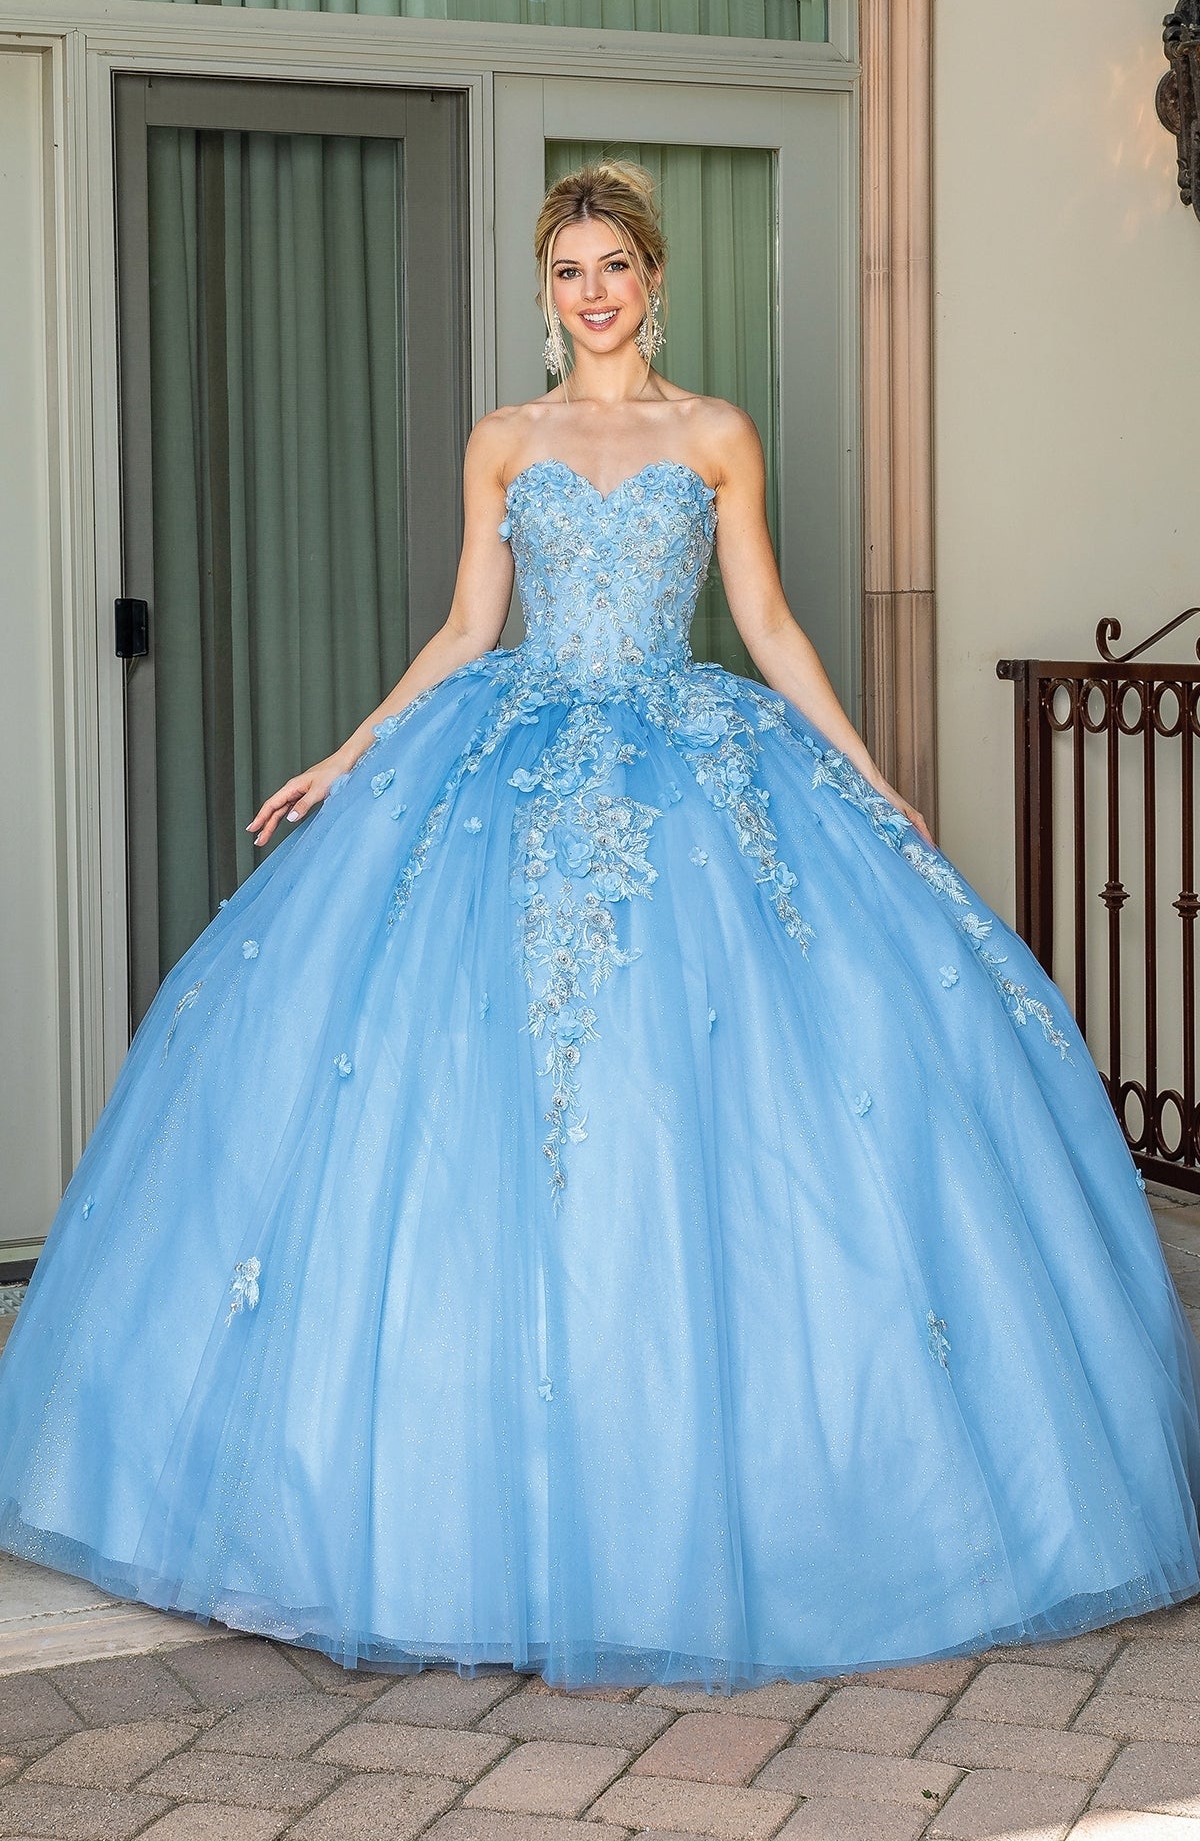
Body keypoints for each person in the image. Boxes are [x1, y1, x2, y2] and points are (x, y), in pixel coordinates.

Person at [1, 160, 1198, 1695]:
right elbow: (464, 629)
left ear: (656, 277)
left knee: (712, 1103)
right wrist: (353, 751)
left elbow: (765, 624)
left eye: (617, 261)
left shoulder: (715, 436)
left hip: (691, 769)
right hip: (506, 758)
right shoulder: (503, 440)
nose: (595, 289)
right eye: (569, 267)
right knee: (468, 1104)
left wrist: (871, 780)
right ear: (544, 288)